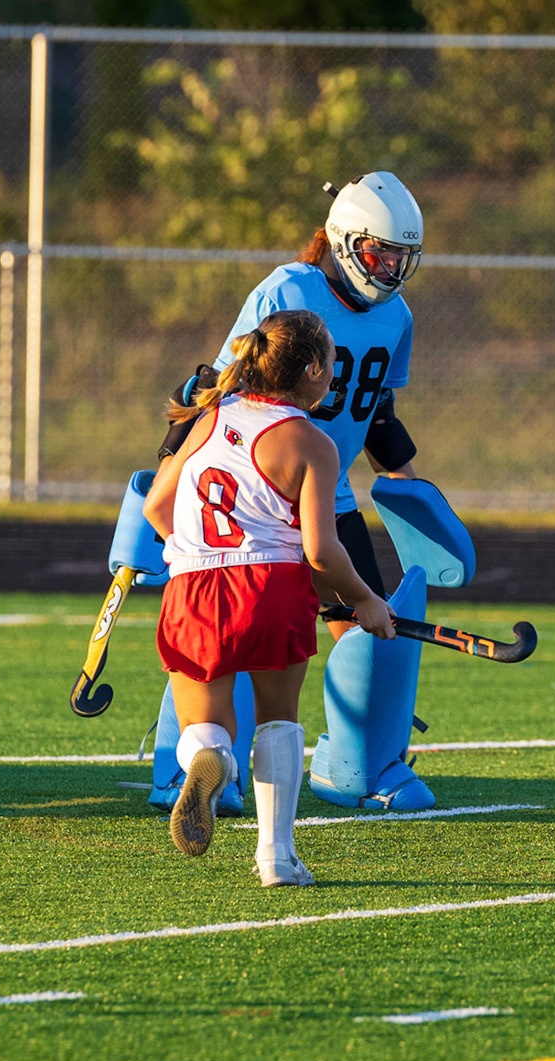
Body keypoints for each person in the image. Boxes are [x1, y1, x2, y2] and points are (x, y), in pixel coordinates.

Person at [148, 170, 461, 812]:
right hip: (253, 492)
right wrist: (168, 469)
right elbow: (218, 384)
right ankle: (188, 770)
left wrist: (405, 482)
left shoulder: (397, 315)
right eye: (379, 253)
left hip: (325, 491)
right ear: (345, 241)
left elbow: (376, 408)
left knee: (370, 630)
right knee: (232, 631)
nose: (391, 268)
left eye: (402, 257)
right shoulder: (289, 290)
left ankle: (362, 766)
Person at [143, 309, 394, 884]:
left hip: (191, 587)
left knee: (203, 727)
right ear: (312, 371)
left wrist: (193, 552)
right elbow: (321, 551)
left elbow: (157, 506)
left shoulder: (208, 416)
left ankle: (211, 759)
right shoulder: (312, 443)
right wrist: (365, 601)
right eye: (331, 361)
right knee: (278, 720)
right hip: (269, 589)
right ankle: (276, 858)